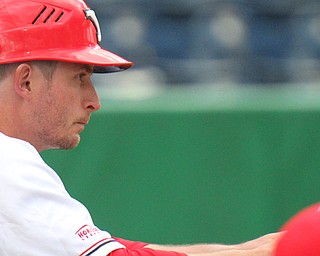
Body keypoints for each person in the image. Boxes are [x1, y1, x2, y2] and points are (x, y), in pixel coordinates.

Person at [0, 0, 280, 255]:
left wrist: (249, 249)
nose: (93, 101)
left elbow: (114, 248)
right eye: (79, 77)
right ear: (26, 81)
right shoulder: (8, 162)